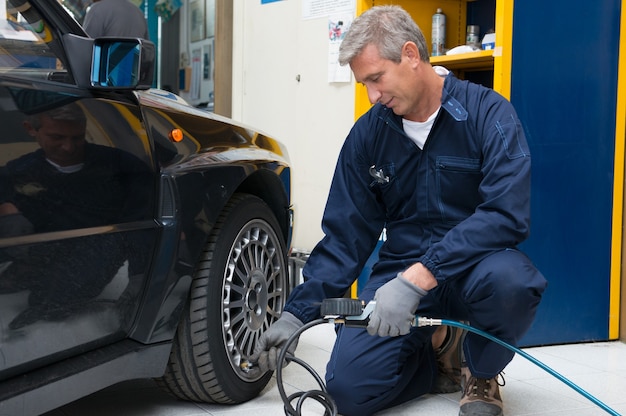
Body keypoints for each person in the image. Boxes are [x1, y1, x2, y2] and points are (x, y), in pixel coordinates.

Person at [251, 5, 547, 416]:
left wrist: (421, 276)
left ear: (410, 54)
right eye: (364, 84)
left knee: (514, 284)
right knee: (348, 394)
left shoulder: (488, 114)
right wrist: (295, 314)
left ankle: (478, 372)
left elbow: (505, 214)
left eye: (376, 79)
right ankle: (437, 353)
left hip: (477, 266)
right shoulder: (369, 135)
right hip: (398, 276)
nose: (373, 96)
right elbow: (345, 237)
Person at [82, 0, 149, 39]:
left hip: (106, 63)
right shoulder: (139, 13)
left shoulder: (97, 9)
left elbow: (84, 48)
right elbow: (148, 54)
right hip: (133, 63)